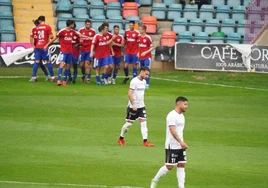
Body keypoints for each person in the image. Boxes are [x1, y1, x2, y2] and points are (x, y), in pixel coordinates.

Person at [150, 96, 189, 188]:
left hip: (180, 145)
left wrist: (181, 143)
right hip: (172, 145)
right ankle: (155, 180)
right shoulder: (172, 115)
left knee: (181, 164)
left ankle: (181, 186)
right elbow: (172, 130)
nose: (186, 106)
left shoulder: (182, 116)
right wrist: (181, 142)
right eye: (185, 104)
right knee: (169, 166)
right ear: (178, 103)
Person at [44, 20, 89, 86]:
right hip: (63, 51)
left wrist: (89, 38)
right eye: (73, 24)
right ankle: (59, 80)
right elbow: (54, 39)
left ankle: (64, 81)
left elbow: (80, 35)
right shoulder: (62, 31)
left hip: (70, 52)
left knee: (67, 66)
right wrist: (47, 44)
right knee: (62, 64)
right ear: (70, 24)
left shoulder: (72, 32)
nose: (73, 25)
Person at [117, 66, 154, 147]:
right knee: (129, 124)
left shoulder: (144, 82)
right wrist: (133, 104)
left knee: (144, 122)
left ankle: (145, 141)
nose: (147, 76)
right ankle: (121, 138)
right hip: (133, 106)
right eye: (146, 74)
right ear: (142, 71)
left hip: (141, 106)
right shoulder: (134, 81)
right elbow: (130, 93)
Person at [29, 15, 56, 82]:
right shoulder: (47, 27)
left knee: (37, 61)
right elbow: (51, 37)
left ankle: (33, 77)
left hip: (37, 46)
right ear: (44, 20)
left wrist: (33, 45)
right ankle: (52, 77)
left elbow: (32, 38)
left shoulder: (36, 28)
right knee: (48, 61)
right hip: (44, 47)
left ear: (39, 21)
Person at [78, 19, 96, 84]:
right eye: (87, 24)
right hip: (82, 50)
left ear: (91, 24)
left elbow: (95, 41)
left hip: (89, 50)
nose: (88, 25)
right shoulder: (81, 30)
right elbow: (78, 38)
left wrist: (93, 51)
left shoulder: (93, 31)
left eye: (89, 24)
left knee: (88, 65)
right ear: (85, 24)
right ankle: (83, 75)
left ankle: (88, 78)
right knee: (81, 65)